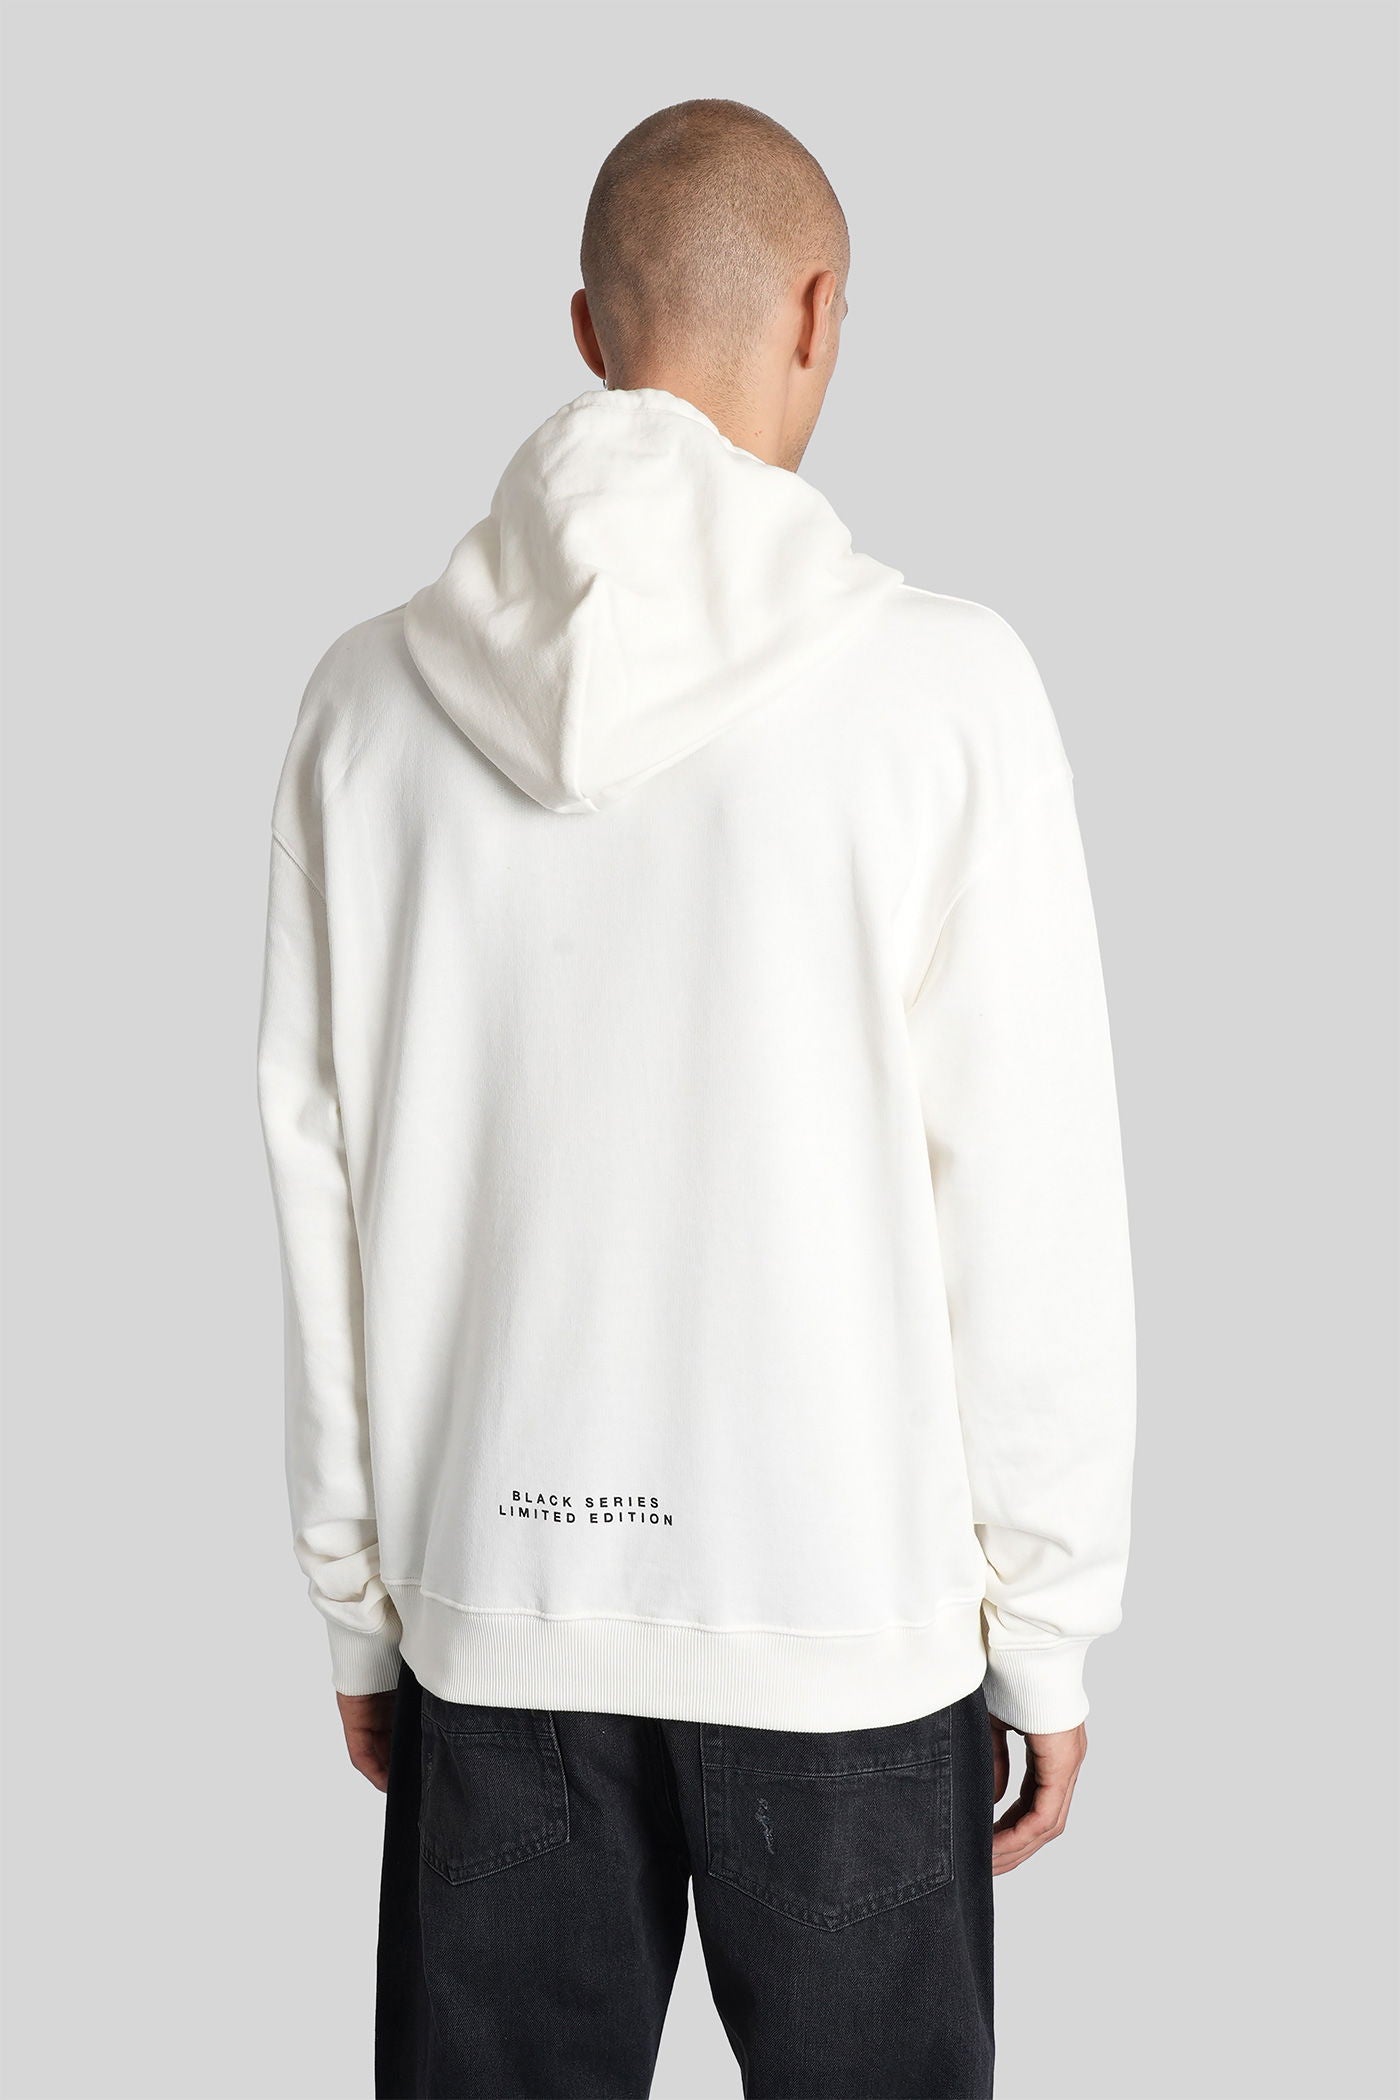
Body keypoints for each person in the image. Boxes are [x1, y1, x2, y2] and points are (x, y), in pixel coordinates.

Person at [257, 97, 1136, 2100]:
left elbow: (318, 1184)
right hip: (845, 1628)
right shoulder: (946, 694)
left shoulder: (363, 705)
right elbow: (1029, 1195)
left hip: (494, 1614)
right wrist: (1049, 1623)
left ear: (587, 331)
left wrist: (363, 1606)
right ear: (817, 312)